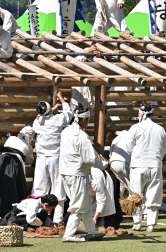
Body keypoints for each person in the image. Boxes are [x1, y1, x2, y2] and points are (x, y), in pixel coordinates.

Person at [59, 102, 108, 242]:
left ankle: (91, 230)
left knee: (84, 201)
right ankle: (69, 234)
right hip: (77, 173)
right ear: (82, 119)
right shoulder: (82, 136)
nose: (88, 122)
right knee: (78, 204)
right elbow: (89, 159)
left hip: (66, 172)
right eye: (87, 119)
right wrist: (103, 164)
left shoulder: (65, 131)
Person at [31, 92, 74, 224]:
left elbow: (42, 116)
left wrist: (51, 110)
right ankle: (57, 220)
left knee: (39, 189)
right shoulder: (57, 119)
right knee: (58, 189)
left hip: (41, 159)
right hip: (55, 158)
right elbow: (69, 114)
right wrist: (61, 99)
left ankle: (38, 218)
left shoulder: (37, 122)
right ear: (50, 110)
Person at [125, 103, 166, 233]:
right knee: (153, 195)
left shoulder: (135, 128)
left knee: (136, 194)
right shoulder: (160, 129)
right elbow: (164, 148)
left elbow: (128, 147)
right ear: (152, 114)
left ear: (140, 114)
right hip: (155, 165)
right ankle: (151, 225)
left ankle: (137, 223)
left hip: (138, 165)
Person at [0, 126, 35, 218]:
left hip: (1, 161)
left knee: (0, 185)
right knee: (12, 187)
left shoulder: (11, 138)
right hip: (14, 163)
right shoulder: (28, 147)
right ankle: (12, 210)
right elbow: (29, 161)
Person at [109, 130, 130, 197]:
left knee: (118, 188)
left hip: (114, 163)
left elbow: (112, 149)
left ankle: (116, 206)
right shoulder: (131, 136)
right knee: (131, 187)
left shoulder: (119, 137)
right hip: (126, 163)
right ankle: (133, 206)